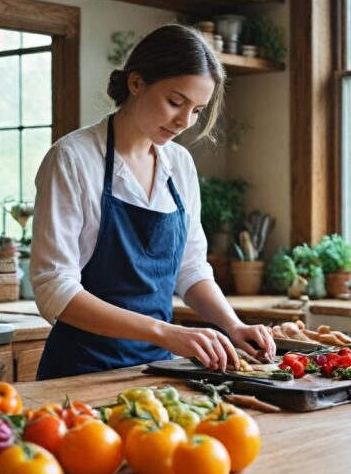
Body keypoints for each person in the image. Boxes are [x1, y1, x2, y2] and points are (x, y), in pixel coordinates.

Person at [30, 23, 275, 380]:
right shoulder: (73, 158)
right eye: (175, 102)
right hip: (79, 373)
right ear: (136, 83)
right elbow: (55, 289)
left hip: (155, 373)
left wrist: (233, 326)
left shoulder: (179, 164)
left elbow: (190, 270)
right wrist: (167, 333)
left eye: (196, 110)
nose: (184, 121)